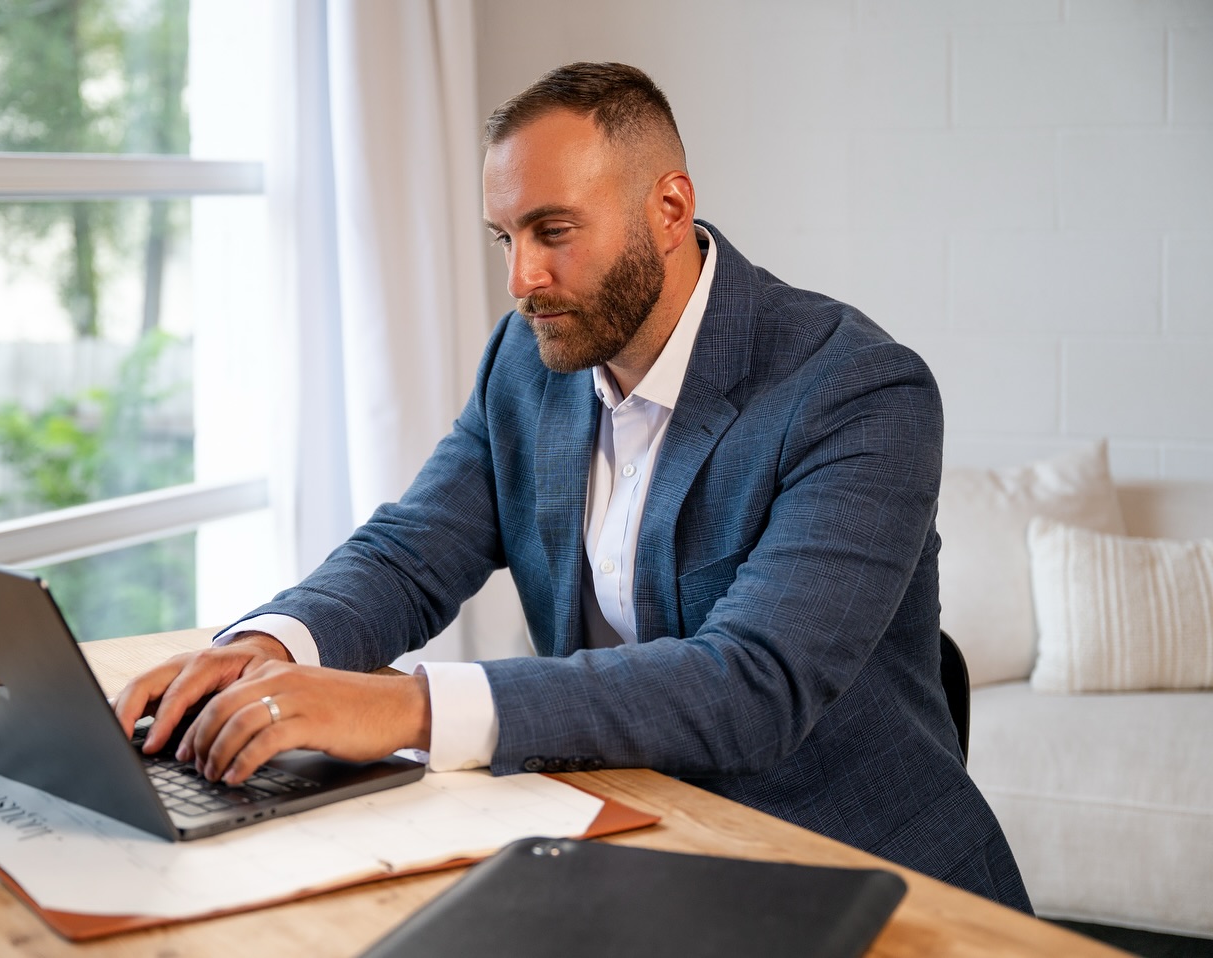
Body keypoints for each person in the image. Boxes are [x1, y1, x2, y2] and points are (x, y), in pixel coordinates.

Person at [114, 61, 1031, 910]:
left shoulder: (857, 391)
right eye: (504, 237)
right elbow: (412, 552)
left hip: (848, 871)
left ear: (669, 208)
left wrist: (407, 705)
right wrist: (277, 644)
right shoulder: (531, 356)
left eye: (554, 231)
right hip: (621, 836)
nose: (522, 279)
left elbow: (753, 685)